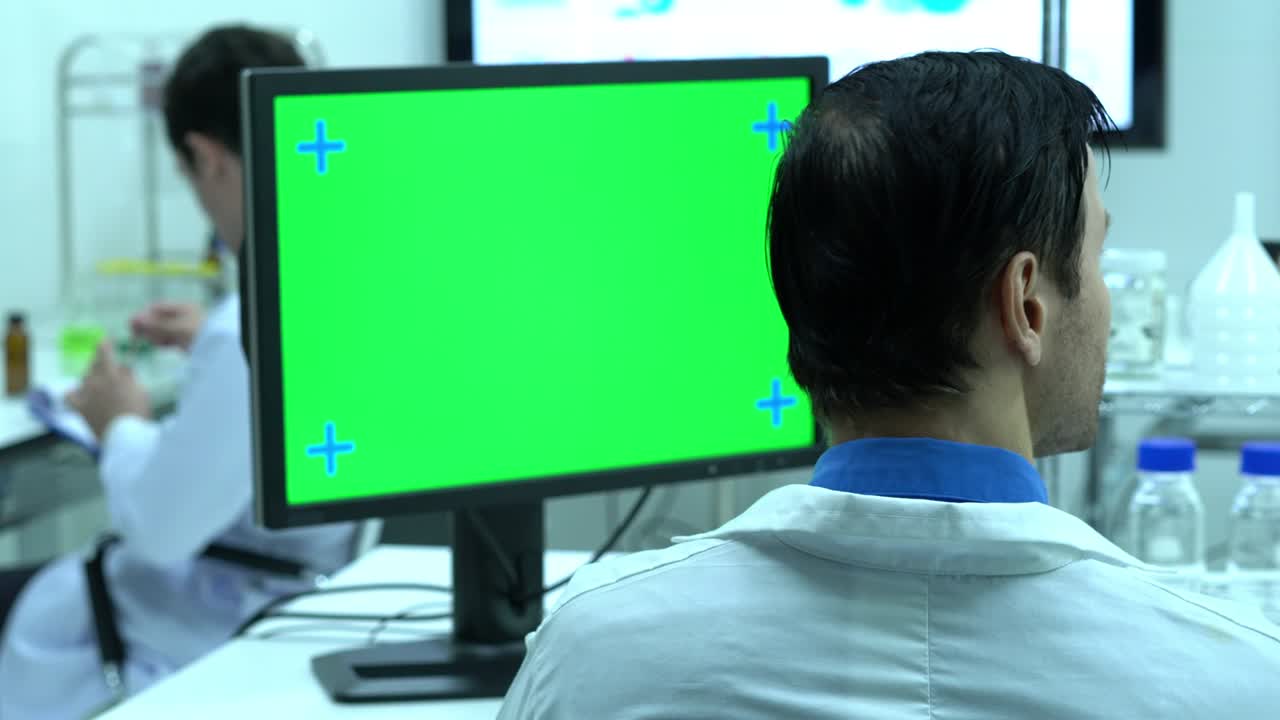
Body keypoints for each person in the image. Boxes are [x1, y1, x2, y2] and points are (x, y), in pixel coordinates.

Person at [497, 51, 1280, 718]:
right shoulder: (1234, 680)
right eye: (1101, 260)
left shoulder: (594, 658)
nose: (1106, 306)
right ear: (1026, 303)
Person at [0, 26, 357, 718]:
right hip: (297, 599)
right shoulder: (333, 290)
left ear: (204, 155)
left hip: (199, 631)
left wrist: (122, 421)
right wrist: (215, 344)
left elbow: (160, 531)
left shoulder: (246, 330)